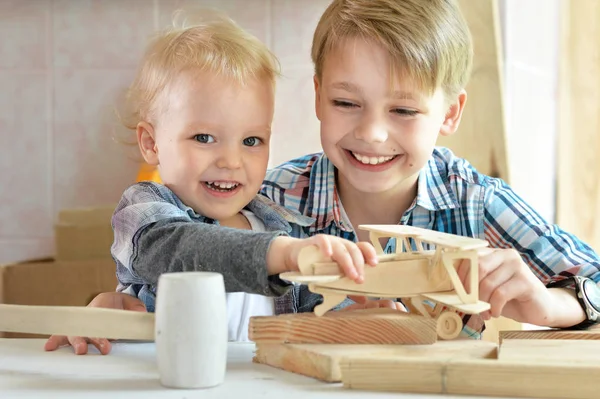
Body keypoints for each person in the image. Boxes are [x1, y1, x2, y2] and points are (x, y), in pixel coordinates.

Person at [44, 9, 381, 355]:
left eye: (251, 141)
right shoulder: (145, 213)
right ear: (151, 143)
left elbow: (313, 304)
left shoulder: (276, 224)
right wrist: (282, 254)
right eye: (204, 137)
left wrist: (354, 317)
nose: (231, 161)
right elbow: (182, 250)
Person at [259, 0, 600, 338]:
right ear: (318, 97)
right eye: (346, 103)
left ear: (450, 113)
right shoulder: (269, 199)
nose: (371, 134)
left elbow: (594, 275)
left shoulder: (474, 200)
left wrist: (551, 305)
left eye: (404, 110)